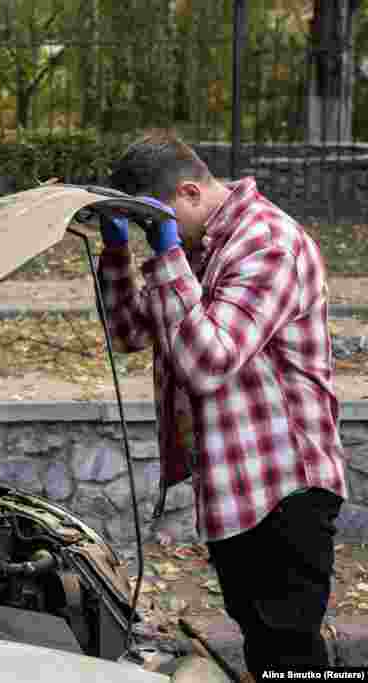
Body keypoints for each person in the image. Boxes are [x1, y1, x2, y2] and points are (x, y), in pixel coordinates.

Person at [96, 130, 347, 679]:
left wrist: (165, 254)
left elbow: (207, 364)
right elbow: (131, 332)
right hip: (236, 482)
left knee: (289, 652)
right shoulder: (197, 244)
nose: (152, 234)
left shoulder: (268, 244)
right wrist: (116, 254)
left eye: (152, 220)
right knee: (262, 643)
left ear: (188, 192)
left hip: (286, 487)